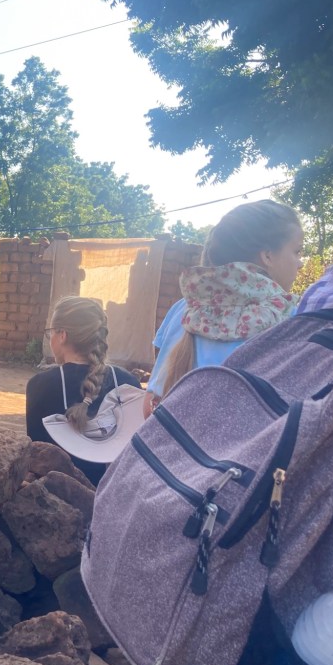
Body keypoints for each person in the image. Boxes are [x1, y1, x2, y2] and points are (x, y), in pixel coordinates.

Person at [145, 200, 303, 416]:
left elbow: (150, 405)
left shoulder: (184, 310)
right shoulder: (294, 321)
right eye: (297, 251)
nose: (300, 263)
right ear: (267, 256)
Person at [25, 296, 143, 486]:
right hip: (115, 494)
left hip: (57, 495)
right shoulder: (128, 384)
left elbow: (36, 455)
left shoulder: (40, 385)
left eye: (50, 333)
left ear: (62, 335)